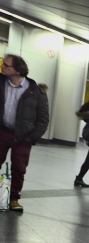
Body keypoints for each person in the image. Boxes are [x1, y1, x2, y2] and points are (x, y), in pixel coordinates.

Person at [0, 54, 49, 213]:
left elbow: (43, 119)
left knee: (19, 169)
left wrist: (31, 137)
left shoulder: (36, 92)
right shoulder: (1, 83)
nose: (3, 66)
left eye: (6, 65)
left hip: (22, 137)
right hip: (2, 132)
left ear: (18, 70)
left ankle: (13, 198)